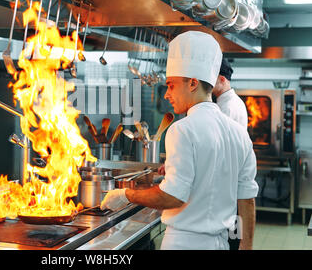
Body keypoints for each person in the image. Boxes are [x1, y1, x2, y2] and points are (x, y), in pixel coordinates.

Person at [101, 31, 259, 250]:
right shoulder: (239, 133)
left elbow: (172, 196)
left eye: (171, 85)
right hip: (220, 244)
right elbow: (247, 199)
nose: (166, 94)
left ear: (193, 83)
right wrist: (246, 246)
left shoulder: (181, 130)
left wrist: (125, 195)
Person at [212, 58, 250, 251]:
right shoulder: (232, 102)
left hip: (229, 184)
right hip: (231, 183)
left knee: (231, 237)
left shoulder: (226, 107)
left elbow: (219, 150)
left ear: (222, 79)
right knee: (233, 236)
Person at [212, 58, 248, 128]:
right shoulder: (234, 101)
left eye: (212, 79)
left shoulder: (227, 107)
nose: (209, 82)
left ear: (222, 79)